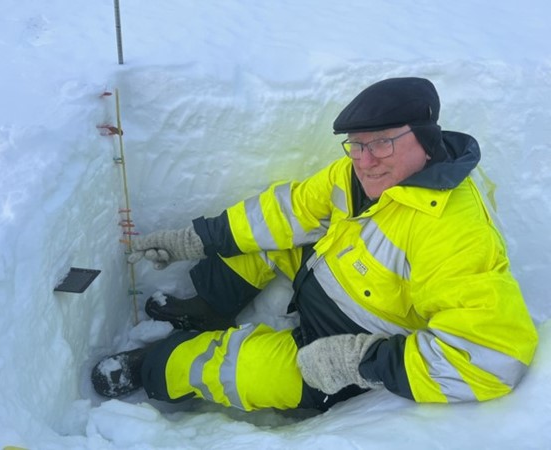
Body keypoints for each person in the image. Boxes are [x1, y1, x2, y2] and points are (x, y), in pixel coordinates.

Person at [92, 77, 538, 411]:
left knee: (243, 369)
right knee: (268, 241)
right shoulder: (354, 174)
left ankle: (156, 362)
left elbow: (490, 359)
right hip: (326, 274)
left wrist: (361, 361)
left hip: (346, 347)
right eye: (356, 145)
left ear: (424, 138)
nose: (364, 161)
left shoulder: (455, 229)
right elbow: (286, 212)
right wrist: (193, 240)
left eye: (381, 143)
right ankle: (207, 307)